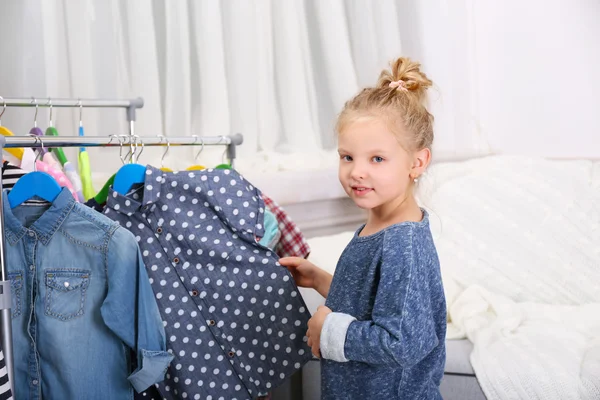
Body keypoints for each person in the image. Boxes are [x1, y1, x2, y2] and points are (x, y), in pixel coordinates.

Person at [279, 57, 446, 399]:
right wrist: (319, 279)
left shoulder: (403, 244)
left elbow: (403, 343)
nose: (356, 172)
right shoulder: (381, 225)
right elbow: (373, 301)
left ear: (417, 162)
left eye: (377, 159)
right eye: (347, 157)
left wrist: (328, 331)